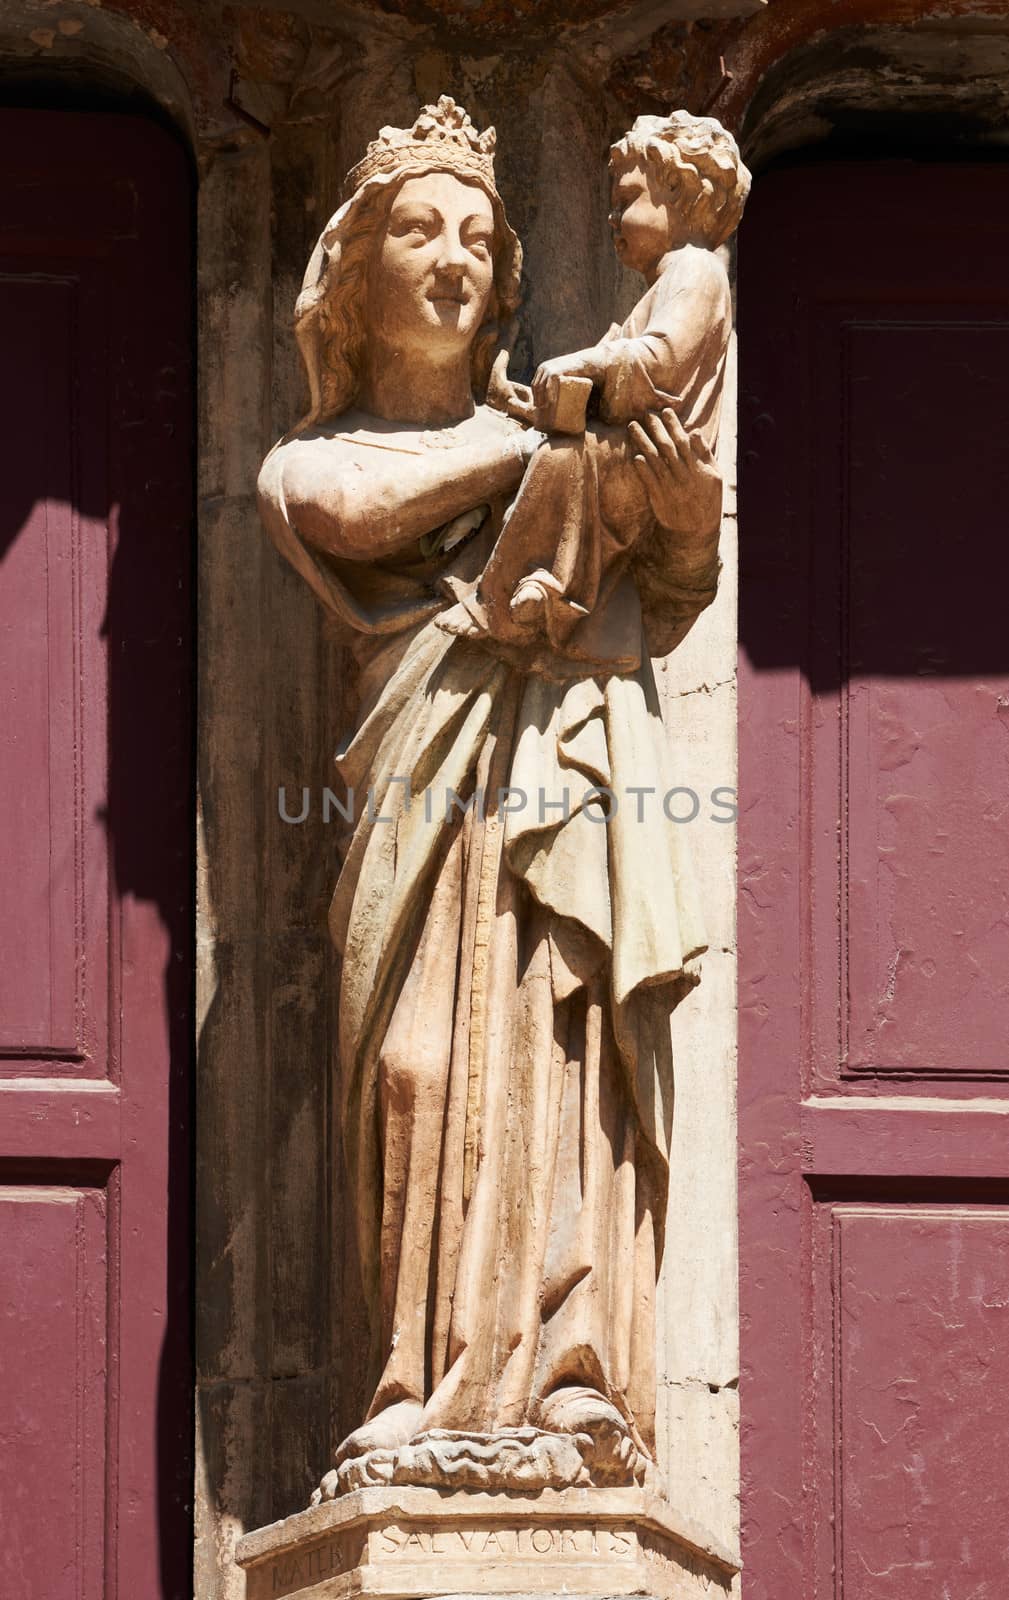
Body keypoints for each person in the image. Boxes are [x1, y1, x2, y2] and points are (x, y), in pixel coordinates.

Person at [257, 96, 725, 1498]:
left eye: (476, 236)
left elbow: (678, 584)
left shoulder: (555, 438)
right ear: (358, 267)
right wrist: (558, 428)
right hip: (415, 803)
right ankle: (416, 1386)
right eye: (417, 231)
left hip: (560, 773)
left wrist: (679, 498)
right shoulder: (315, 461)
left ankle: (568, 1394)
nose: (453, 258)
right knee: (414, 1075)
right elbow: (357, 519)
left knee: (566, 1061)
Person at [459, 111, 748, 663]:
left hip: (653, 457)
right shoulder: (661, 287)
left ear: (680, 194)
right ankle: (550, 581)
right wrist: (527, 400)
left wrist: (587, 361)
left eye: (626, 200)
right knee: (558, 456)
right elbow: (607, 380)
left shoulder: (696, 271)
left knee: (559, 463)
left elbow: (659, 360)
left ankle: (528, 590)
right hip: (634, 451)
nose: (613, 218)